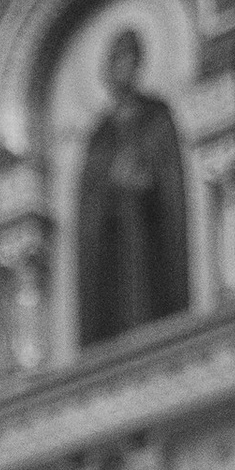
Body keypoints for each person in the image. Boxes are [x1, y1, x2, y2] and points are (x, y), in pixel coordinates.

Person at [75, 27, 189, 349]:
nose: (119, 68)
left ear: (137, 64)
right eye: (114, 61)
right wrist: (111, 186)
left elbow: (171, 183)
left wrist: (145, 181)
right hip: (112, 256)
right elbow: (89, 201)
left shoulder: (157, 116)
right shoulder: (100, 134)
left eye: (125, 59)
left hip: (153, 246)